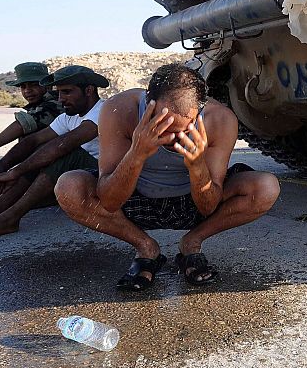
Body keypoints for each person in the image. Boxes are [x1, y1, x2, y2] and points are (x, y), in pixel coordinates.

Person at [56, 63, 280, 292]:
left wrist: (197, 166)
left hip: (192, 202)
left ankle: (192, 243)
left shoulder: (221, 120)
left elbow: (208, 207)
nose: (173, 137)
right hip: (134, 198)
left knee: (265, 187)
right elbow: (110, 201)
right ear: (148, 104)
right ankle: (146, 248)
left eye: (183, 128)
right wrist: (136, 154)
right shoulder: (119, 109)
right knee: (69, 187)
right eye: (162, 125)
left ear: (199, 111)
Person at [0, 66, 108, 240]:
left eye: (67, 92)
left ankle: (10, 218)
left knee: (65, 154)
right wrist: (2, 167)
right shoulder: (70, 116)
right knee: (39, 151)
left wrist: (16, 171)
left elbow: (63, 145)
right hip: (79, 178)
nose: (61, 99)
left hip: (109, 180)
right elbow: (34, 141)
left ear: (89, 90)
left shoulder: (104, 111)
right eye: (59, 93)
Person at [0, 62, 63, 203]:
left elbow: (23, 124)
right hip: (42, 165)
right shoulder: (40, 105)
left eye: (33, 85)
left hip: (60, 167)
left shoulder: (56, 104)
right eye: (23, 86)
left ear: (48, 85)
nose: (27, 90)